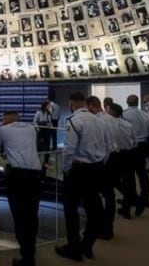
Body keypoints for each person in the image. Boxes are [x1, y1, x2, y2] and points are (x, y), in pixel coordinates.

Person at [54, 92, 105, 262]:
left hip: (78, 170)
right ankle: (87, 246)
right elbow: (108, 146)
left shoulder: (73, 121)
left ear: (71, 103)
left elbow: (69, 149)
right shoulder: (99, 120)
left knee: (71, 210)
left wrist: (67, 169)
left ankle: (74, 248)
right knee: (94, 210)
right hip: (96, 169)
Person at [0, 111, 43, 266]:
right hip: (36, 176)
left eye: (3, 119)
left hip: (18, 176)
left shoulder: (3, 130)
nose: (1, 122)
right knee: (32, 215)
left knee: (19, 216)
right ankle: (31, 253)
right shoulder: (31, 128)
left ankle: (27, 256)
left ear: (7, 119)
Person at [85, 96, 116, 239]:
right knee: (109, 196)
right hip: (109, 161)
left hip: (99, 163)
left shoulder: (97, 121)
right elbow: (110, 146)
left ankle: (99, 228)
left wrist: (100, 163)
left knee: (95, 198)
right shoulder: (110, 118)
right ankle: (107, 228)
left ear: (90, 106)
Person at [107, 103, 142, 219]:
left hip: (118, 156)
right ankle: (129, 207)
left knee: (114, 180)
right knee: (129, 181)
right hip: (130, 154)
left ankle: (135, 201)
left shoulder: (109, 124)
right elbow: (135, 141)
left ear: (111, 112)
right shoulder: (128, 124)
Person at [123, 95, 149, 209]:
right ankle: (145, 198)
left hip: (129, 147)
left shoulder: (123, 115)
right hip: (142, 146)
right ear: (138, 102)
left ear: (127, 102)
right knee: (142, 173)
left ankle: (132, 198)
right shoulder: (145, 115)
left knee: (129, 175)